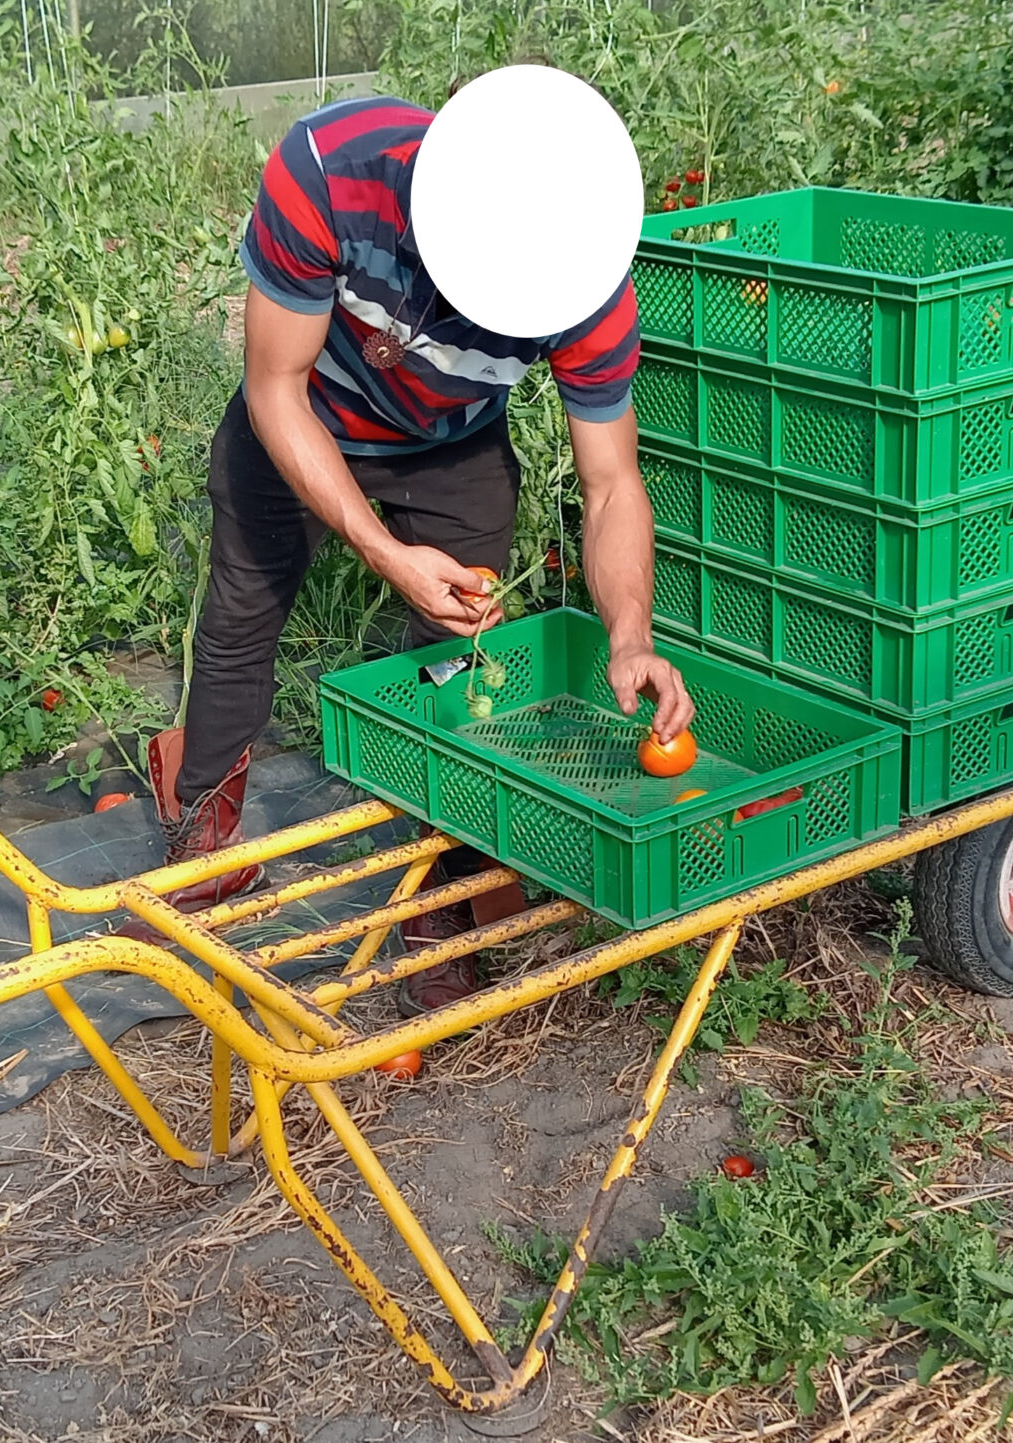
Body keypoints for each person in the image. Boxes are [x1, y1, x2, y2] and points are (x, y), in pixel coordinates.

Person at [113, 66, 695, 1011]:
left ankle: (443, 887)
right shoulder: (330, 172)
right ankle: (204, 849)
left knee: (461, 654)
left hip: (452, 446)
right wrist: (382, 552)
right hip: (307, 412)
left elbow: (612, 483)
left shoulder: (590, 285)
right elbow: (273, 388)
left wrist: (631, 635)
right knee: (242, 610)